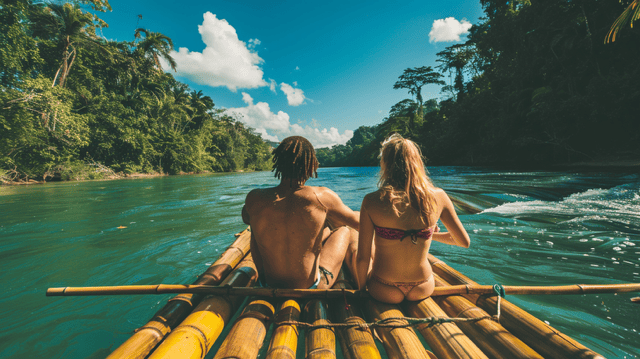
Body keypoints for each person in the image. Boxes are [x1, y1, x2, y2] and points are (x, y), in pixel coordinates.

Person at [355, 134, 470, 303]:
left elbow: (362, 258)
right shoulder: (439, 196)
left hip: (384, 286)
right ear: (417, 163)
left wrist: (361, 290)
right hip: (422, 286)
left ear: (385, 164)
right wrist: (427, 234)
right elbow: (463, 242)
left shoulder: (372, 200)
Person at [242, 136, 359, 289]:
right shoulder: (322, 197)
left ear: (278, 165)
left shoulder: (254, 198)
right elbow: (359, 223)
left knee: (254, 224)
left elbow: (246, 218)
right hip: (310, 287)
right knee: (343, 230)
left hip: (268, 285)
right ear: (311, 167)